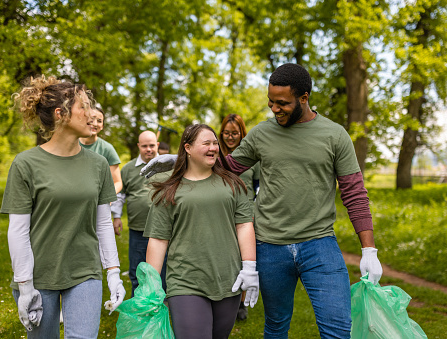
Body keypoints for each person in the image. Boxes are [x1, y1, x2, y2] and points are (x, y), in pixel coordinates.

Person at [141, 64, 383, 339]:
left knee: (338, 329)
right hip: (270, 246)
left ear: (304, 98)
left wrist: (369, 250)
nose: (274, 109)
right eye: (271, 102)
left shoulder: (334, 135)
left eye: (282, 103)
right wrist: (180, 159)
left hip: (319, 243)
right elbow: (228, 166)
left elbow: (353, 191)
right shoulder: (261, 134)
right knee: (276, 326)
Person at [1, 75, 126, 338]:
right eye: (83, 107)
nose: (91, 114)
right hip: (39, 275)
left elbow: (103, 222)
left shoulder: (98, 164)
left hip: (84, 272)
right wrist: (25, 285)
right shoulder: (26, 164)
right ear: (61, 114)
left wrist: (113, 272)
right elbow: (18, 230)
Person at [144, 124, 259, 339]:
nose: (214, 148)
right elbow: (158, 240)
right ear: (187, 148)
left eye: (215, 143)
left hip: (228, 282)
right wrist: (151, 286)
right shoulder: (168, 190)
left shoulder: (233, 184)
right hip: (185, 282)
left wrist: (249, 267)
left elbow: (244, 226)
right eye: (206, 143)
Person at [111, 130, 167, 296]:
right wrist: (116, 217)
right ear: (138, 147)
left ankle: (159, 300)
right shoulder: (128, 169)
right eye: (144, 146)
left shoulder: (167, 166)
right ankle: (138, 299)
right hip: (138, 228)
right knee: (137, 268)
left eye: (151, 145)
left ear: (157, 145)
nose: (148, 149)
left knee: (162, 268)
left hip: (163, 229)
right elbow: (120, 196)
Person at [219, 114, 260, 321]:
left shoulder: (252, 157)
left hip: (246, 215)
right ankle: (225, 296)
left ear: (242, 133)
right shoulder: (216, 155)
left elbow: (259, 185)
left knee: (244, 257)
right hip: (222, 213)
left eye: (234, 133)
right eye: (226, 133)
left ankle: (241, 303)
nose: (230, 137)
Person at [79, 107, 123, 194]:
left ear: (102, 126)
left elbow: (117, 182)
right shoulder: (72, 144)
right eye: (91, 119)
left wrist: (106, 199)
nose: (95, 124)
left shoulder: (107, 149)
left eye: (99, 121)